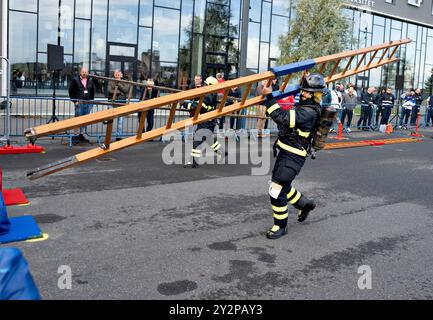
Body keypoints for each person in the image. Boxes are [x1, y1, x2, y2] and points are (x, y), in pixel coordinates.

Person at [262, 74, 326, 239]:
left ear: (313, 95)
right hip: (288, 152)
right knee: (283, 185)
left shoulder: (308, 112)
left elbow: (282, 118)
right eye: (302, 90)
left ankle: (280, 227)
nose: (302, 93)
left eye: (305, 91)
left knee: (276, 190)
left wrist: (269, 98)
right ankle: (304, 204)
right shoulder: (308, 105)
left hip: (293, 155)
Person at [184, 76, 226, 168]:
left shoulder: (207, 96)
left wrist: (184, 103)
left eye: (206, 84)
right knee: (210, 140)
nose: (204, 85)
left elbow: (196, 106)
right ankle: (221, 152)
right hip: (210, 122)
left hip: (205, 122)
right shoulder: (213, 95)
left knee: (197, 140)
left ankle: (194, 162)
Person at [68, 67, 95, 144]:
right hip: (79, 104)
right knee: (77, 120)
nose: (84, 73)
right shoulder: (75, 80)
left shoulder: (90, 80)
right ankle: (75, 135)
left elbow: (92, 91)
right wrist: (74, 101)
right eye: (83, 72)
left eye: (86, 72)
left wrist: (91, 102)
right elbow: (71, 91)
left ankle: (81, 135)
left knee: (84, 121)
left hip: (87, 103)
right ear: (80, 72)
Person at [108, 70, 129, 141]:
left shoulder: (125, 81)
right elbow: (110, 90)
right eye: (116, 74)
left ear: (121, 75)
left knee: (120, 121)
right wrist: (119, 92)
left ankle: (118, 136)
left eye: (118, 74)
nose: (117, 75)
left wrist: (118, 84)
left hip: (121, 103)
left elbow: (126, 90)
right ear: (114, 75)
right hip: (112, 103)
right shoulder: (110, 81)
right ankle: (108, 135)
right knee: (110, 120)